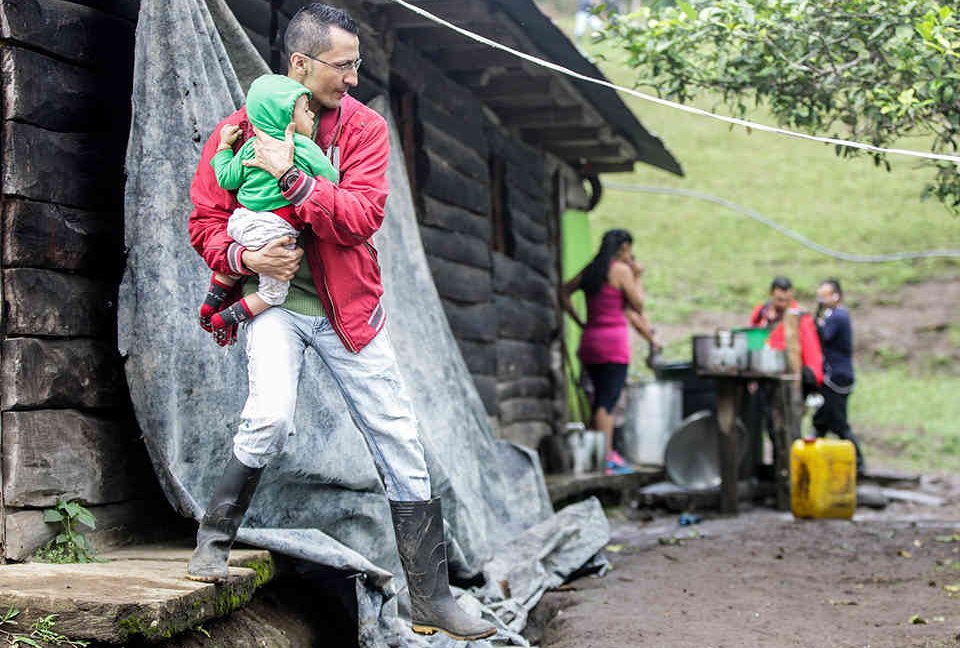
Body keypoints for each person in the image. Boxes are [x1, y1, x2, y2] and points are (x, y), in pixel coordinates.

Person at [186, 4, 495, 641]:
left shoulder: (364, 129)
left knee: (398, 438)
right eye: (343, 65)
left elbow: (359, 218)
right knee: (268, 417)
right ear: (300, 65)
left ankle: (430, 596)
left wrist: (293, 180)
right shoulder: (236, 131)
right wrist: (245, 256)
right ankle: (213, 540)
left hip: (348, 311)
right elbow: (204, 222)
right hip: (274, 306)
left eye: (356, 64)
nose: (353, 77)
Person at [198, 74, 338, 340]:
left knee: (235, 265)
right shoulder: (302, 145)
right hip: (273, 230)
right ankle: (221, 319)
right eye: (305, 111)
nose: (312, 116)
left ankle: (210, 302)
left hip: (240, 223)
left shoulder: (252, 146)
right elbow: (331, 178)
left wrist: (224, 147)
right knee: (272, 294)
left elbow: (226, 178)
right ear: (287, 118)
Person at [561, 229, 660, 475]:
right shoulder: (621, 271)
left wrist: (580, 322)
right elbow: (638, 304)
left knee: (597, 401)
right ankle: (606, 460)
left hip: (590, 341)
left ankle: (597, 457)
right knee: (608, 401)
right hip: (612, 345)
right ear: (624, 247)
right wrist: (637, 277)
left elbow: (563, 293)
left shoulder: (591, 270)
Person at [813, 278, 865, 473]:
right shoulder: (833, 315)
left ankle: (858, 463)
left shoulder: (838, 317)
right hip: (832, 375)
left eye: (824, 295)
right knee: (821, 421)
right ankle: (810, 457)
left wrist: (815, 325)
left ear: (836, 295)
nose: (821, 299)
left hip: (837, 377)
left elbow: (824, 336)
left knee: (838, 422)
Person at [749, 276, 824, 393]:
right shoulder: (761, 313)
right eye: (779, 299)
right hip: (761, 371)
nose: (783, 303)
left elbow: (811, 348)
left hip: (788, 375)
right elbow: (753, 339)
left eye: (786, 299)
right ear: (771, 294)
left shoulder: (800, 317)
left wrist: (813, 376)